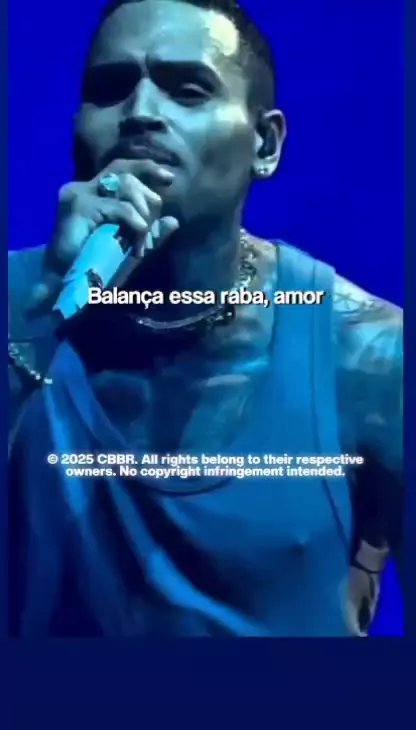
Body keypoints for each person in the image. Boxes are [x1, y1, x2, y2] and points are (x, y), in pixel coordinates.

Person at [8, 0, 403, 637]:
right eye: (109, 89)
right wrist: (46, 309)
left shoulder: (370, 355)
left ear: (264, 144)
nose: (139, 112)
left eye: (188, 90)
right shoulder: (16, 308)